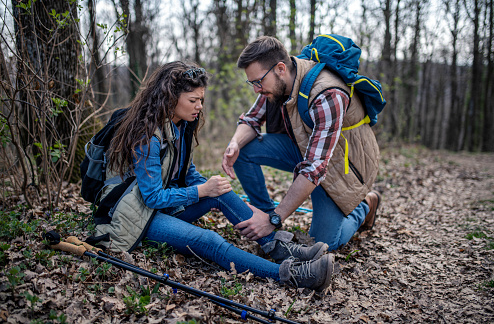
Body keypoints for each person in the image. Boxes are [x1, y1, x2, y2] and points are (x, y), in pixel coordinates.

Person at [92, 61, 334, 291]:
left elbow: (188, 173)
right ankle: (290, 274)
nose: (199, 106)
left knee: (221, 191)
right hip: (137, 216)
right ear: (170, 99)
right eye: (193, 100)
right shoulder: (146, 136)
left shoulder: (180, 124)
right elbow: (152, 197)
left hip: (163, 206)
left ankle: (277, 246)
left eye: (201, 100)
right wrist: (201, 191)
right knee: (209, 240)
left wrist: (220, 194)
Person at [222, 36, 382, 251]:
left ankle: (365, 206)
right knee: (243, 149)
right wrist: (234, 143)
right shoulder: (275, 82)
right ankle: (264, 216)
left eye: (258, 82)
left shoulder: (328, 94)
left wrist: (276, 219)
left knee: (324, 243)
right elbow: (252, 119)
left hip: (341, 164)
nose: (256, 89)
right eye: (252, 83)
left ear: (280, 68)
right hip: (307, 148)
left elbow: (315, 168)